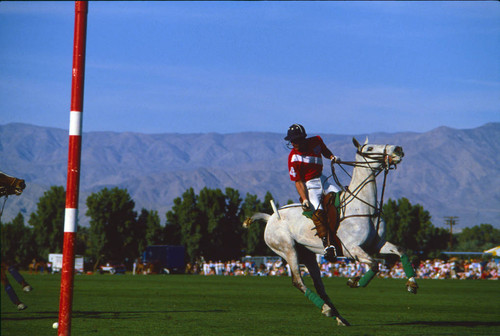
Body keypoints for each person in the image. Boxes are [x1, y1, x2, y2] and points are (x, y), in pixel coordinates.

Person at [284, 124, 341, 262]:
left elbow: (325, 151)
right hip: (309, 185)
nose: (293, 143)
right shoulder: (293, 158)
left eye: (296, 140)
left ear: (304, 138)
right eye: (292, 140)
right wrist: (304, 199)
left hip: (323, 179)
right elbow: (298, 181)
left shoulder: (316, 141)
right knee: (317, 209)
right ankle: (327, 245)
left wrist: (332, 157)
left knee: (341, 196)